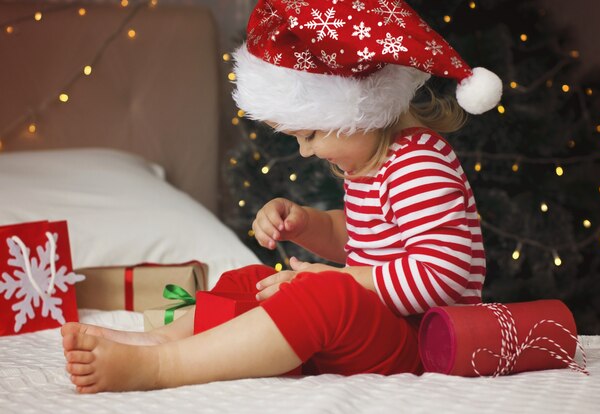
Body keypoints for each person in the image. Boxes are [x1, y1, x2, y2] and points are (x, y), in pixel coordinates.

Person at [61, 0, 502, 393]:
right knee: (250, 281)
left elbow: (440, 273)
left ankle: (161, 365)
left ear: (360, 109)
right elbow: (363, 239)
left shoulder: (419, 164)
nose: (305, 150)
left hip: (422, 341)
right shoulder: (372, 162)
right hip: (382, 326)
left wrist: (338, 282)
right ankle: (162, 339)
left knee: (321, 297)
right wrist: (309, 224)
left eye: (310, 134)